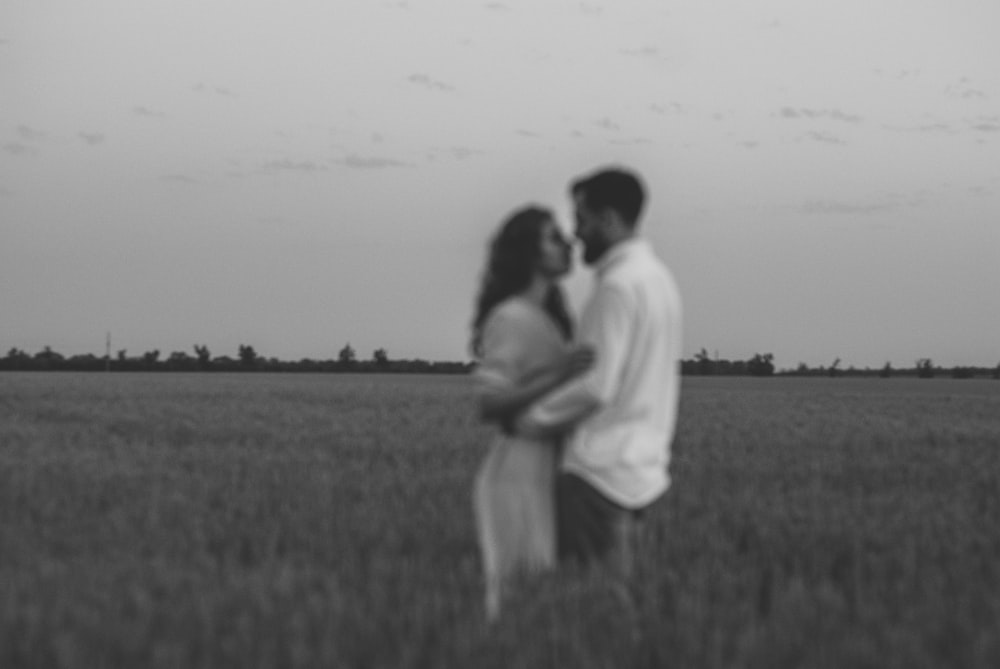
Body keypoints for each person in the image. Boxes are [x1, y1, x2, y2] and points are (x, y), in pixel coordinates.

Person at [514, 167, 683, 586]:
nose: (576, 233)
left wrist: (530, 420)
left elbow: (596, 385)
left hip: (598, 475)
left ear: (609, 219)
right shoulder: (660, 281)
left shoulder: (616, 288)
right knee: (624, 602)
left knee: (594, 606)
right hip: (645, 472)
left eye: (583, 219)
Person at [470, 205, 595, 621]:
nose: (568, 244)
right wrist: (559, 374)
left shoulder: (550, 320)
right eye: (554, 237)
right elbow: (488, 404)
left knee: (544, 606)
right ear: (529, 253)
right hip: (518, 474)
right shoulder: (509, 318)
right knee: (519, 605)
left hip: (551, 471)